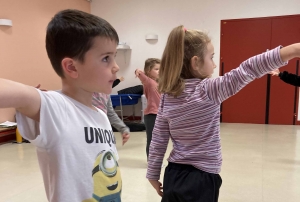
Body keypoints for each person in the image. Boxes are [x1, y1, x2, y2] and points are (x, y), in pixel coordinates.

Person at [146, 25, 300, 202]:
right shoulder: (209, 90)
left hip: (173, 174)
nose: (215, 63)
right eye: (211, 58)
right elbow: (248, 69)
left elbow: (158, 138)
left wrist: (152, 173)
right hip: (202, 178)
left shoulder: (167, 96)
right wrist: (293, 50)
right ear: (195, 63)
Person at [0, 9, 123, 202]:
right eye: (106, 58)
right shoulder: (56, 108)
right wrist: (29, 95)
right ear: (72, 67)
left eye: (114, 56)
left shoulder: (100, 115)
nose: (115, 66)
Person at [135, 58, 161, 159]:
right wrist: (138, 71)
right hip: (151, 115)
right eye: (156, 69)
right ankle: (151, 161)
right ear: (149, 71)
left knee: (158, 140)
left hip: (159, 114)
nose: (160, 71)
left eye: (160, 69)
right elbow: (141, 75)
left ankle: (156, 160)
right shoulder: (149, 82)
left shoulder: (158, 82)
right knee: (152, 139)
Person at [92, 76, 130, 145]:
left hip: (104, 133)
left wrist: (123, 128)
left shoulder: (106, 92)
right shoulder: (84, 91)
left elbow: (110, 114)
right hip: (90, 134)